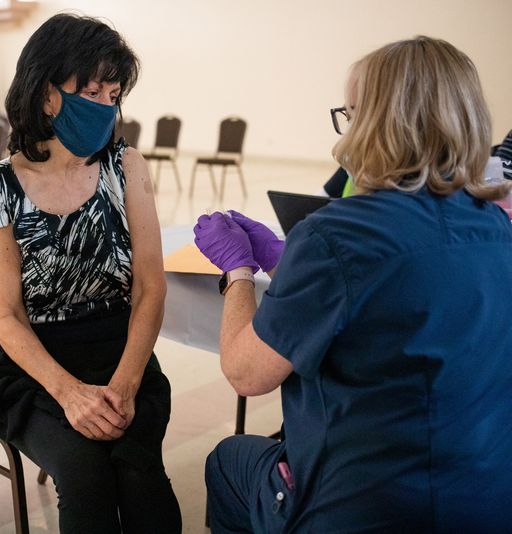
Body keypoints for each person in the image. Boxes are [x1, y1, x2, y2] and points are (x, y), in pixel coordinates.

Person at [195, 36, 512, 532]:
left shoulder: (337, 232)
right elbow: (378, 302)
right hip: (484, 495)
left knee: (228, 461)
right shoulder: (495, 228)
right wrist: (288, 263)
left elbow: (245, 373)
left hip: (364, 506)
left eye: (349, 113)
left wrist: (237, 271)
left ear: (374, 122)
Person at [0, 14, 181, 533]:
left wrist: (124, 386)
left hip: (122, 353)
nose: (105, 106)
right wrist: (69, 392)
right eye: (92, 91)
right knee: (85, 477)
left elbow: (150, 286)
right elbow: (7, 315)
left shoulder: (126, 166)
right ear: (46, 94)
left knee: (139, 473)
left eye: (114, 93)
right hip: (38, 368)